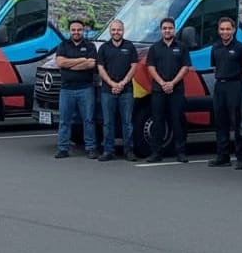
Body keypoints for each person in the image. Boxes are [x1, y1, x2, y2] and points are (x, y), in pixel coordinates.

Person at [209, 17, 242, 169]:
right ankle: (223, 156)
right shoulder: (215, 48)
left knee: (237, 123)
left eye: (228, 29)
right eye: (222, 29)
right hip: (219, 87)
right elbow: (215, 68)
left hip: (235, 86)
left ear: (233, 30)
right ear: (218, 30)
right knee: (220, 122)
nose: (225, 32)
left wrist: (239, 84)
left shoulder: (241, 48)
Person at [146, 17, 191, 163]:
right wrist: (162, 83)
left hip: (176, 90)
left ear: (174, 29)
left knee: (177, 121)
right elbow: (150, 67)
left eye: (170, 28)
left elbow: (185, 67)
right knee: (158, 121)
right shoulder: (154, 48)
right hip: (158, 91)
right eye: (164, 28)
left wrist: (172, 83)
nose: (167, 30)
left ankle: (181, 152)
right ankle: (156, 153)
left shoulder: (182, 47)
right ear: (161, 30)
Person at [54, 20, 98, 159]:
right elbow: (60, 62)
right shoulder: (63, 45)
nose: (76, 32)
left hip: (85, 88)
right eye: (73, 30)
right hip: (66, 90)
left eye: (79, 30)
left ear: (83, 31)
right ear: (69, 31)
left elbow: (91, 64)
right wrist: (81, 59)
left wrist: (69, 65)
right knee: (64, 121)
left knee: (88, 120)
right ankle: (63, 148)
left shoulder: (90, 46)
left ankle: (91, 148)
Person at [96, 19, 138, 162]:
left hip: (126, 90)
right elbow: (100, 68)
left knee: (127, 122)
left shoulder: (130, 46)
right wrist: (112, 84)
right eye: (113, 30)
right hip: (108, 91)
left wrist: (122, 83)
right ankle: (108, 151)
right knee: (108, 122)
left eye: (119, 29)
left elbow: (134, 66)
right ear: (110, 31)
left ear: (123, 30)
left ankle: (129, 150)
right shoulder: (104, 48)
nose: (116, 32)